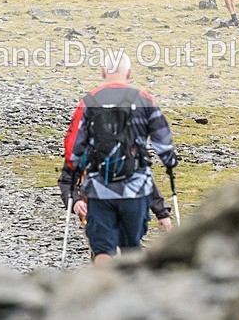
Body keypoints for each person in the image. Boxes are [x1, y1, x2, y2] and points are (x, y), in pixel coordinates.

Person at [70, 52, 177, 265]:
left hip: (99, 189)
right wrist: (169, 165)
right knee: (132, 247)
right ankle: (130, 292)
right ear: (129, 72)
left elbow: (75, 148)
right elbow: (164, 145)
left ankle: (102, 290)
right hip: (135, 189)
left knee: (102, 249)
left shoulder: (88, 102)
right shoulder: (145, 100)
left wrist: (72, 191)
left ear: (102, 72)